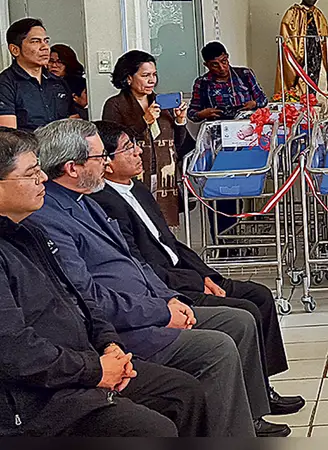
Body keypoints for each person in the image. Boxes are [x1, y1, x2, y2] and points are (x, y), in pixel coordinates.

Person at [27, 119, 294, 437]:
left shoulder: (86, 200)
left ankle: (249, 417)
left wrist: (169, 299)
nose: (106, 164)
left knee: (239, 321)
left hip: (151, 303)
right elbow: (87, 296)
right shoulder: (50, 217)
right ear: (72, 168)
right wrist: (160, 312)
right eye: (101, 157)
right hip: (128, 327)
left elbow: (135, 260)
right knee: (217, 348)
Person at [0, 129, 211, 437]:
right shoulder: (31, 232)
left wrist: (108, 345)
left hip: (84, 359)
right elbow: (15, 351)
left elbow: (80, 299)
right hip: (39, 395)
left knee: (183, 392)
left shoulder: (30, 231)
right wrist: (94, 370)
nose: (42, 179)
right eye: (31, 173)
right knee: (152, 428)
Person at [90, 121, 299, 410]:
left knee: (260, 295)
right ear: (107, 163)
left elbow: (170, 244)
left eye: (136, 144)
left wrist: (206, 274)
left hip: (184, 271)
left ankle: (262, 387)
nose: (139, 152)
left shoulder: (136, 189)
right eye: (128, 148)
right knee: (244, 311)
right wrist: (193, 283)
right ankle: (251, 406)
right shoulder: (104, 202)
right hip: (166, 284)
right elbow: (141, 262)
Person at [102, 51, 193, 228]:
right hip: (133, 176)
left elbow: (178, 145)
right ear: (129, 78)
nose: (152, 80)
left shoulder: (161, 103)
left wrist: (180, 122)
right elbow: (112, 143)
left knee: (165, 228)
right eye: (145, 75)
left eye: (154, 75)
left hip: (165, 179)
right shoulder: (115, 104)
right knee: (138, 226)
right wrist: (145, 121)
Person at [0, 18, 75, 131]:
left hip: (62, 147)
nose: (45, 47)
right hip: (27, 148)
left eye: (46, 41)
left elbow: (72, 121)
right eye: (35, 41)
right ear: (15, 49)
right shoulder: (5, 84)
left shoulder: (58, 83)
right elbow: (9, 137)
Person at [277, 0, 328, 96]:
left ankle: (320, 106)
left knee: (320, 79)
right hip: (302, 54)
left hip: (317, 53)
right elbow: (287, 38)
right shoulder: (292, 13)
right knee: (303, 80)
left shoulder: (318, 14)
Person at [190, 42, 269, 122]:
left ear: (227, 57)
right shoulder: (202, 83)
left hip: (246, 126)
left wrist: (255, 104)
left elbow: (263, 100)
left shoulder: (245, 74)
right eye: (215, 65)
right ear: (206, 65)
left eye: (224, 61)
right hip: (218, 129)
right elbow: (191, 113)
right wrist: (201, 114)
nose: (222, 68)